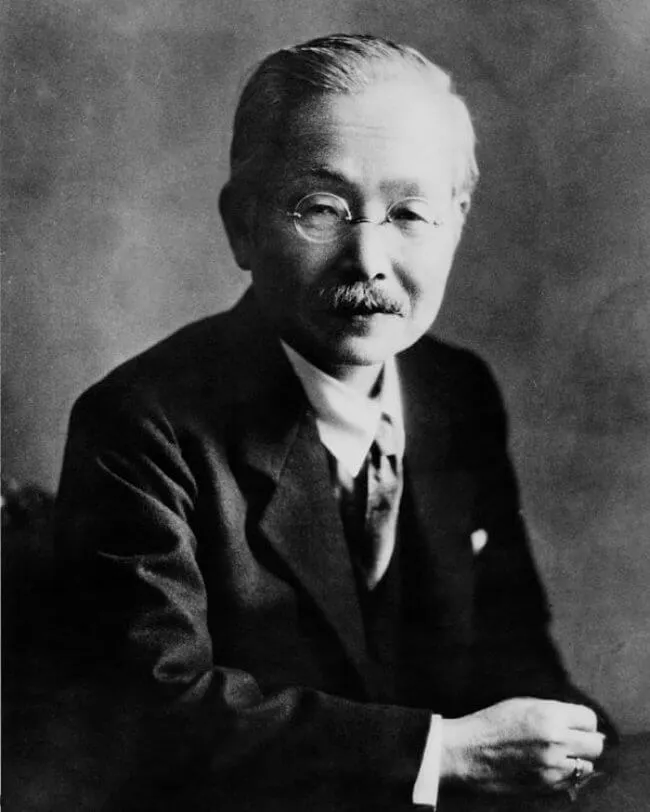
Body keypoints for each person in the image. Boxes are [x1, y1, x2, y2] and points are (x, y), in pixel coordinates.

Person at [55, 34, 615, 812]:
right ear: (243, 225)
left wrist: (572, 751)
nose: (369, 260)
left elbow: (516, 655)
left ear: (456, 223)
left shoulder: (455, 391)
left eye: (410, 212)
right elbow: (152, 715)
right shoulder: (141, 426)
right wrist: (439, 755)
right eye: (322, 209)